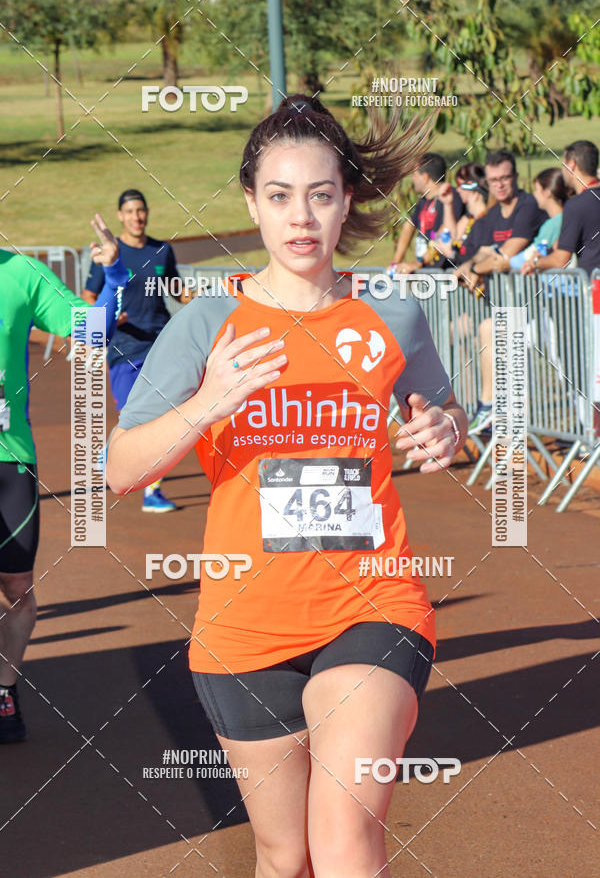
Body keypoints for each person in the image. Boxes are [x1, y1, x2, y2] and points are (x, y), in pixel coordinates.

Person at [107, 94, 468, 876]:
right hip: (244, 625)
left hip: (373, 603)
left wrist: (445, 429)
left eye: (320, 194)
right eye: (279, 196)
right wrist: (207, 405)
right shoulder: (209, 321)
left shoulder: (392, 312)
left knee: (342, 841)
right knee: (284, 854)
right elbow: (122, 470)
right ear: (251, 203)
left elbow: (443, 412)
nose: (300, 217)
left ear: (346, 203)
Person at [0, 216, 128, 743]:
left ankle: (4, 689)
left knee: (16, 588)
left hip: (10, 459)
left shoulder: (22, 275)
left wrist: (115, 272)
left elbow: (92, 328)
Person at [82, 189, 184, 513]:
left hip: (161, 344)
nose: (136, 217)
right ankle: (113, 450)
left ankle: (152, 492)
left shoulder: (162, 250)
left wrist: (208, 298)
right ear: (120, 216)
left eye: (141, 210)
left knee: (160, 417)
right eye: (130, 212)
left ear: (147, 213)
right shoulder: (112, 253)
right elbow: (87, 298)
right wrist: (110, 312)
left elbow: (177, 291)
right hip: (124, 347)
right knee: (133, 416)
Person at [468, 168, 571, 434]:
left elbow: (526, 258)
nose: (534, 194)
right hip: (550, 306)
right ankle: (497, 410)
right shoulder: (551, 222)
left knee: (570, 371)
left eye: (536, 189)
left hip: (561, 306)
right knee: (498, 333)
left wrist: (495, 265)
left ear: (546, 192)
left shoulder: (556, 222)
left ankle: (508, 415)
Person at [454, 149, 545, 295]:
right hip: (503, 296)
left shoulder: (528, 206)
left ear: (515, 177)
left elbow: (507, 253)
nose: (499, 185)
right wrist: (469, 264)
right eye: (493, 180)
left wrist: (475, 269)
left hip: (532, 295)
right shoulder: (493, 212)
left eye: (504, 178)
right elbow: (485, 250)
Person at [522, 140, 600, 277]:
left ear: (572, 164)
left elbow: (561, 260)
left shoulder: (576, 205)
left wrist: (535, 262)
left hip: (593, 287)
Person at [390, 152, 465, 273]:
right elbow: (408, 227)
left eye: (414, 174)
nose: (412, 178)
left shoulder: (451, 197)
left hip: (445, 274)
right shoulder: (423, 201)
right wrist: (395, 262)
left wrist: (418, 262)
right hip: (426, 271)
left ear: (425, 177)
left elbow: (445, 234)